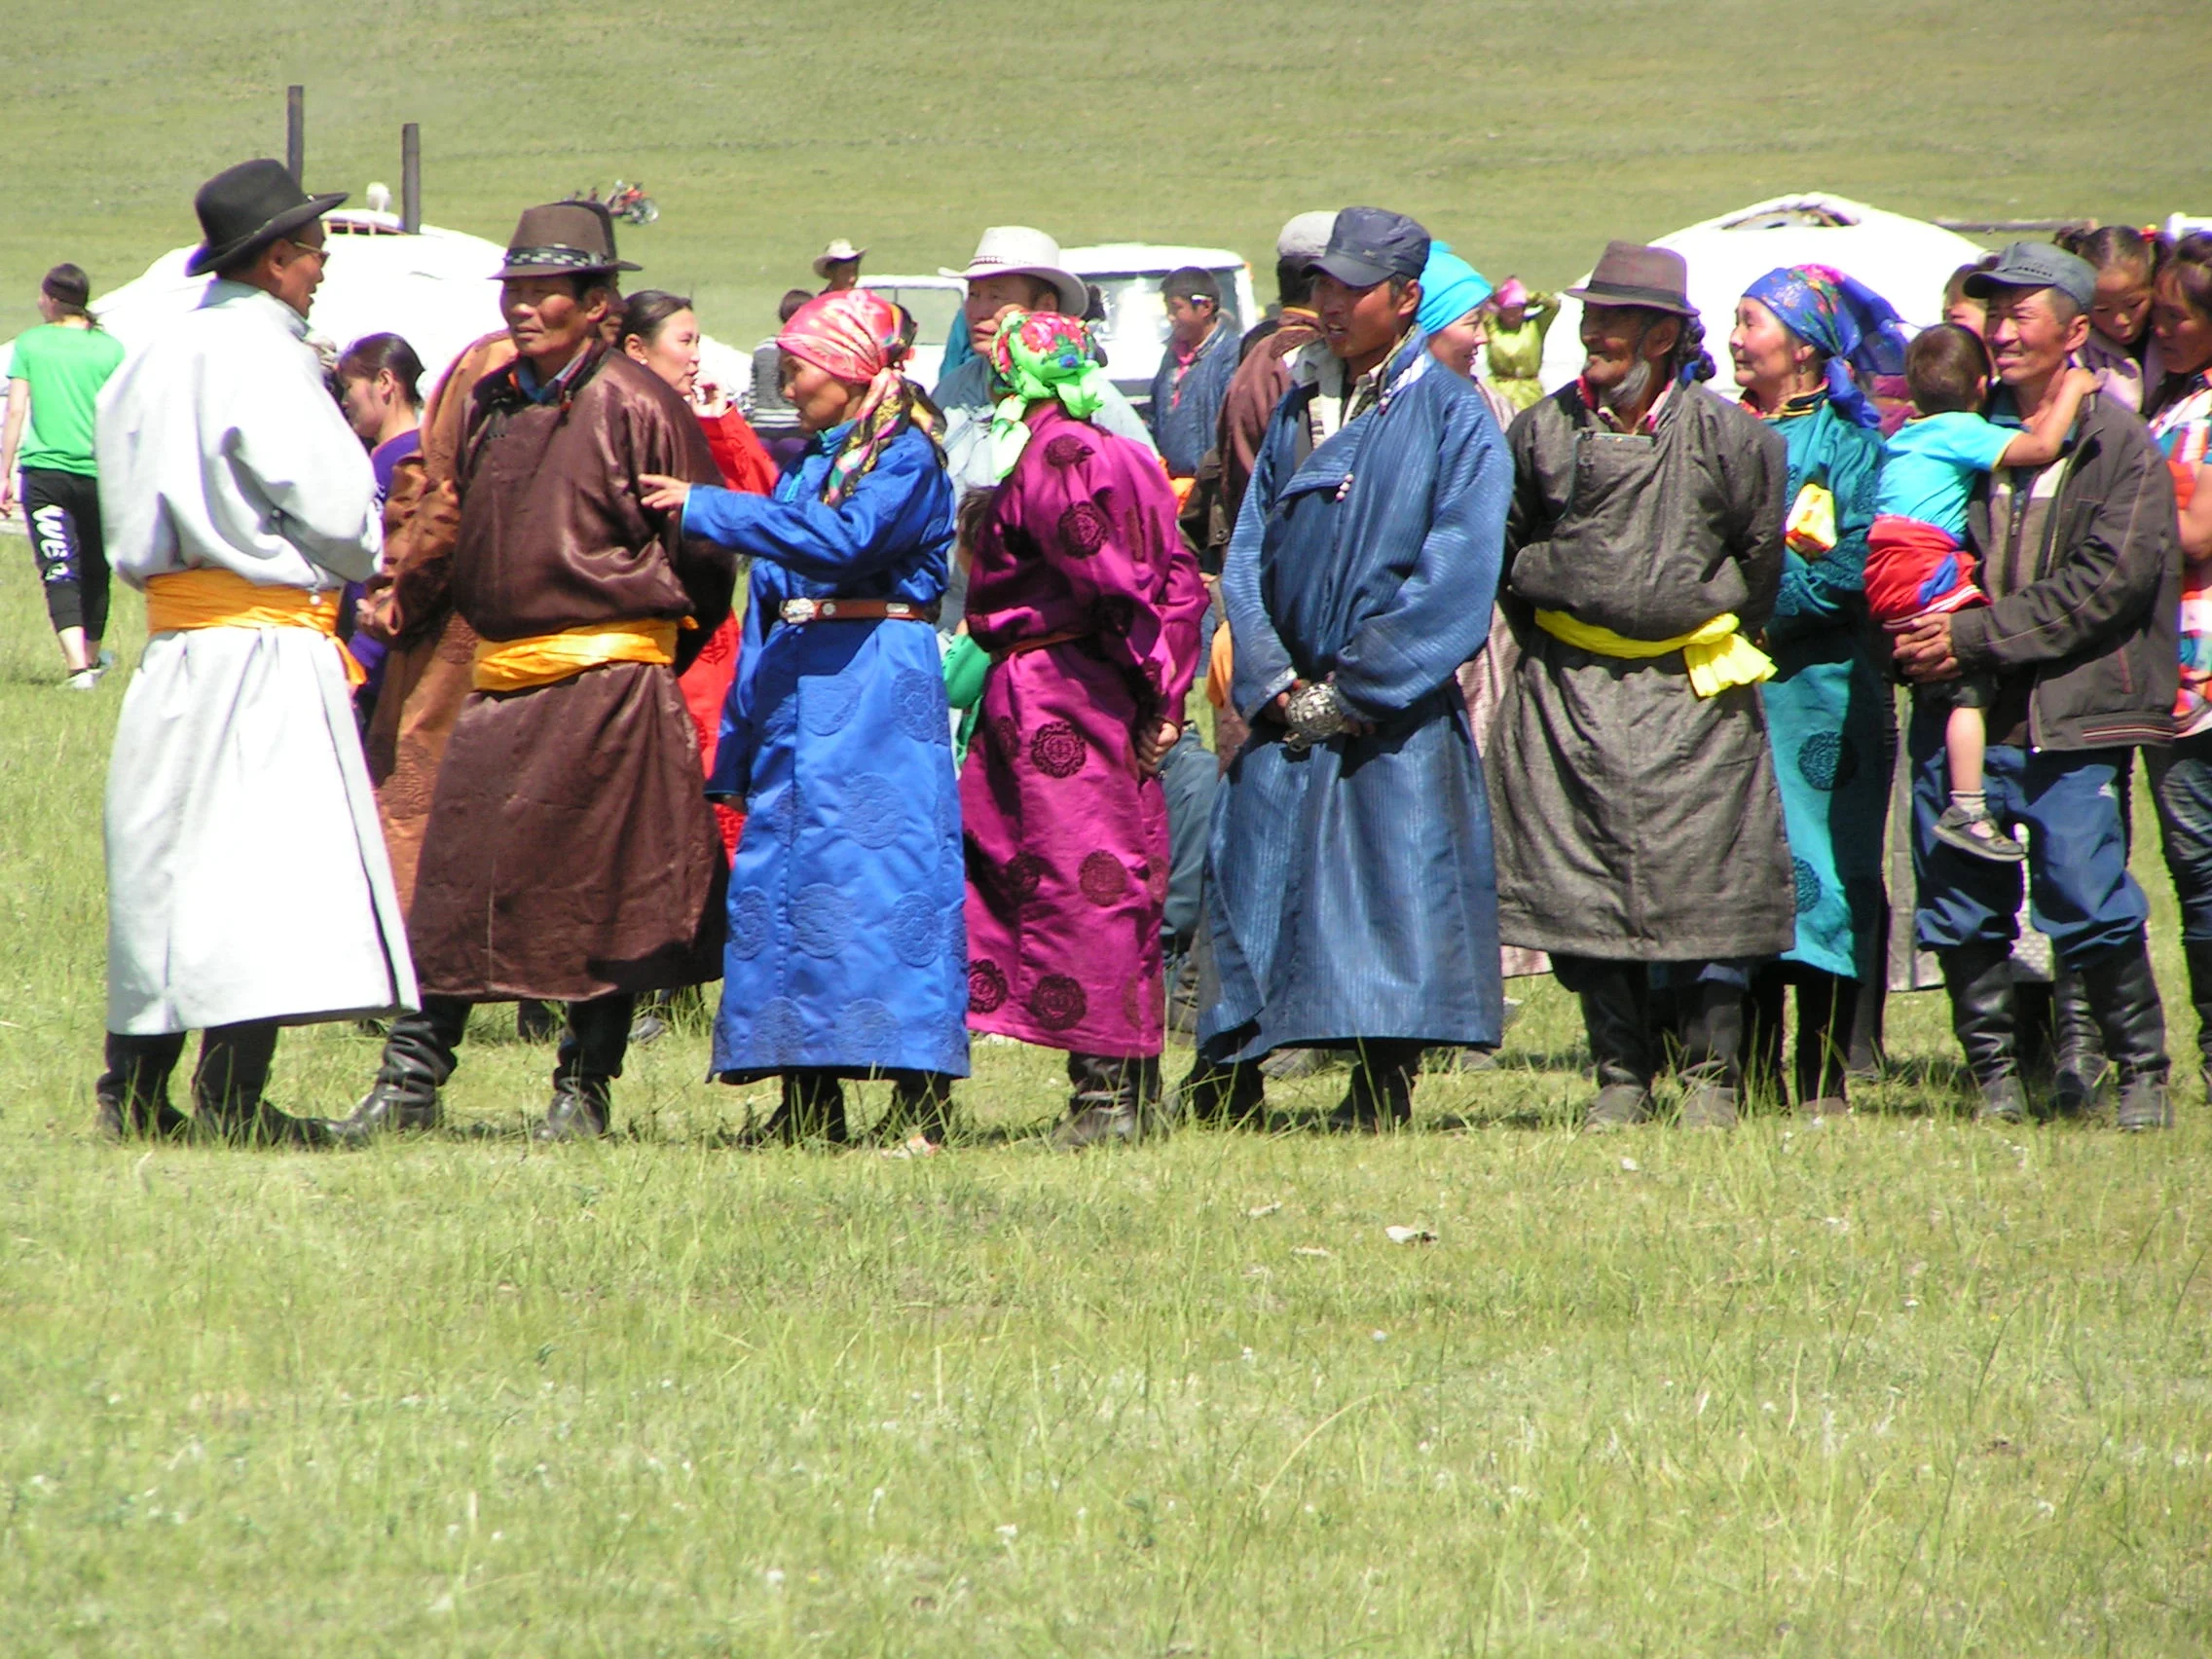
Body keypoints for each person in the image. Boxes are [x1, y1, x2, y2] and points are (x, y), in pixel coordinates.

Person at [333, 201, 731, 1144]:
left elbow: (705, 560)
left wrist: (636, 653)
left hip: (608, 685)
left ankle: (581, 1095)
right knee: (456, 887)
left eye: (544, 292)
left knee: (601, 903)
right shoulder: (492, 401)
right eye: (515, 290)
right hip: (501, 685)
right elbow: (450, 517)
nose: (520, 308)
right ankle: (409, 1085)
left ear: (599, 303)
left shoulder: (645, 405)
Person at [92, 158, 413, 1144]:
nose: (321, 270)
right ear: (277, 260)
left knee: (165, 867)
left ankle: (134, 1092)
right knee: (258, 873)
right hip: (265, 645)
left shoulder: (150, 353)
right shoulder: (269, 359)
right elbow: (341, 520)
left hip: (177, 647)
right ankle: (232, 1099)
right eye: (314, 252)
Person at [1197, 207, 1512, 1131]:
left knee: (1390, 888)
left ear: (1405, 298)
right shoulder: (1301, 401)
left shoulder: (1455, 417)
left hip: (1388, 706)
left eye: (1350, 288)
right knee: (1248, 874)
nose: (1327, 304)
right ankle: (1231, 1075)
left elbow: (1456, 574)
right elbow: (1248, 547)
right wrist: (1272, 681)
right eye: (1321, 286)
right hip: (1283, 696)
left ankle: (1381, 1082)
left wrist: (1355, 688)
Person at [640, 288, 969, 1147]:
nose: (787, 377)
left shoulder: (906, 458)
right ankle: (807, 1107)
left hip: (875, 700)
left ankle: (920, 1107)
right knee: (788, 895)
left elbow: (845, 543)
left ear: (855, 367)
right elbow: (770, 604)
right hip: (798, 697)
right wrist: (742, 734)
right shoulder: (814, 462)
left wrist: (708, 506)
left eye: (802, 364)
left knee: (885, 893)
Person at [1491, 240, 1793, 1132]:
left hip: (1694, 696)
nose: (1595, 333)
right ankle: (1620, 1074)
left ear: (1664, 335)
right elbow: (1507, 559)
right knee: (1580, 885)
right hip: (1569, 691)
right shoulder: (1542, 430)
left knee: (1709, 882)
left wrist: (1680, 625)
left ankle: (1712, 1078)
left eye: (1616, 320)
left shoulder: (1738, 438)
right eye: (1591, 317)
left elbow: (1759, 561)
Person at [1893, 241, 2181, 1130]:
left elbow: (2111, 580)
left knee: (2087, 894)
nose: (2002, 330)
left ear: (2075, 331)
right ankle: (1993, 1082)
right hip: (1962, 712)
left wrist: (1972, 636)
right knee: (1961, 899)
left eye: (2022, 314)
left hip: (2071, 709)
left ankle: (2140, 1074)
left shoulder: (2115, 441)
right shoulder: (1958, 428)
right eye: (1993, 313)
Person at [959, 312, 1205, 1147]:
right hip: (1102, 687)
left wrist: (1151, 693)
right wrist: (1162, 698)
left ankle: (1106, 1102)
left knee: (1083, 886)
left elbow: (1112, 582)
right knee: (1117, 879)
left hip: (1062, 693)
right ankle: (1134, 1090)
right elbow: (1177, 583)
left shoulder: (1060, 454)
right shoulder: (1126, 453)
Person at [1726, 264, 1905, 1116]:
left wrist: (1739, 617)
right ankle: (1753, 1079)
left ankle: (1825, 1075)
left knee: (1823, 875)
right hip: (1731, 694)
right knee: (1748, 875)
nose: (1733, 338)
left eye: (1750, 322)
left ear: (1803, 348)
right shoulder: (1717, 434)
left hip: (1822, 690)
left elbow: (1840, 571)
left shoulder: (1850, 449)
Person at [1868, 326, 2096, 858]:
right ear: (1980, 385)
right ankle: (1968, 807)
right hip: (1920, 561)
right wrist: (2074, 388)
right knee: (1972, 677)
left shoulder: (1907, 433)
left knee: (1934, 667)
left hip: (1886, 566)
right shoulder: (1960, 429)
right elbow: (2042, 446)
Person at [618, 288, 780, 864]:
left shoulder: (699, 419)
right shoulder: (614, 421)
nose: (695, 358)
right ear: (636, 349)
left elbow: (764, 505)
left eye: (697, 342)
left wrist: (721, 425)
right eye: (684, 342)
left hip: (713, 639)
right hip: (649, 633)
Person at [2144, 233, 2212, 1094]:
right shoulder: (2170, 410)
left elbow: (2196, 534)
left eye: (2177, 314)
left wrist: (2131, 503)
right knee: (2195, 868)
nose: (2161, 328)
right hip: (2174, 670)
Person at [2, 264, 126, 688]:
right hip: (100, 475)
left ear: (52, 299)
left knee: (58, 566)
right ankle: (89, 660)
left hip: (45, 474)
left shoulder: (32, 344)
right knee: (95, 567)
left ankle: (77, 667)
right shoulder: (110, 349)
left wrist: (3, 473)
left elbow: (15, 410)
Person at [334, 332, 426, 712]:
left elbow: (400, 566)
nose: (344, 401)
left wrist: (361, 659)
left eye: (349, 387)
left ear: (385, 383)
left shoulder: (412, 463)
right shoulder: (379, 460)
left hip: (380, 662)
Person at [2056, 224, 2168, 412]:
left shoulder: (2173, 334)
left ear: (2153, 284)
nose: (2121, 321)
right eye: (2102, 309)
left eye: (2134, 305)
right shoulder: (2075, 350)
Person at [1147, 267, 1237, 482]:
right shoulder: (1171, 357)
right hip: (1172, 487)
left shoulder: (1232, 356)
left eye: (1176, 308)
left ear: (1205, 307)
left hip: (1210, 487)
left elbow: (1231, 429)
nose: (1170, 317)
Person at [750, 287, 816, 472]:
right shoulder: (805, 349)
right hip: (793, 429)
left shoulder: (762, 347)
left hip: (761, 430)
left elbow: (753, 393)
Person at [1482, 276, 1557, 412]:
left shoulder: (1535, 325)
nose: (1512, 316)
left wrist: (1532, 297)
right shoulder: (1492, 326)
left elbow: (1554, 305)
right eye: (1508, 311)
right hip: (1499, 391)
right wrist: (1494, 296)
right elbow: (1479, 304)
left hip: (1530, 393)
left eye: (1517, 310)